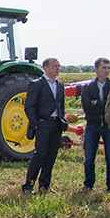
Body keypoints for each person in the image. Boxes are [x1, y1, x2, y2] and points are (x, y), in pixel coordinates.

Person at [23, 57, 66, 194]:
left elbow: (61, 105)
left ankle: (44, 185)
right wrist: (37, 123)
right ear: (45, 68)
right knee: (40, 154)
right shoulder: (37, 84)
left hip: (56, 124)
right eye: (55, 66)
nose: (58, 68)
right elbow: (29, 107)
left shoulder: (60, 85)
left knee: (51, 155)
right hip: (43, 123)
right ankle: (28, 185)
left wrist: (62, 119)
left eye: (59, 65)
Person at [80, 58, 110, 192]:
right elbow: (87, 106)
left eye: (109, 68)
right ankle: (88, 185)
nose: (107, 71)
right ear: (96, 69)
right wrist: (104, 105)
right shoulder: (88, 87)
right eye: (104, 68)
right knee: (89, 158)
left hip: (109, 126)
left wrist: (96, 103)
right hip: (92, 125)